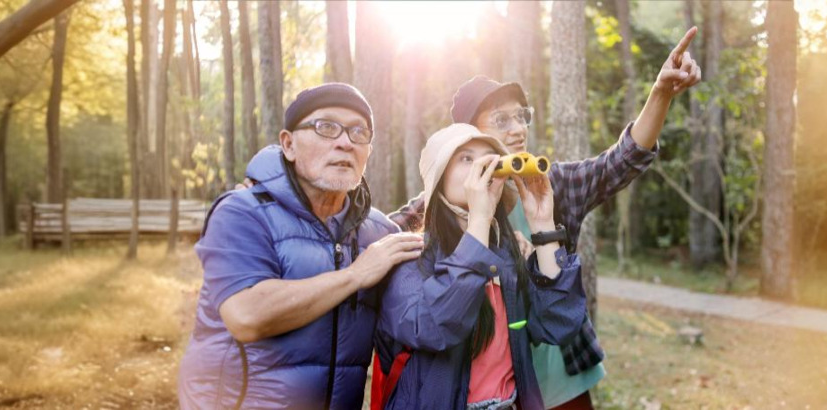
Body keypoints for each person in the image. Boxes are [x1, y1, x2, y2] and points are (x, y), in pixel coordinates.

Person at [386, 28, 703, 409]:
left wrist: (661, 93)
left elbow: (622, 160)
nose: (518, 129)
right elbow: (383, 245)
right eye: (501, 120)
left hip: (556, 379)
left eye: (521, 117)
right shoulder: (437, 206)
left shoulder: (550, 185)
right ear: (462, 141)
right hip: (482, 386)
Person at [178, 83, 424, 409]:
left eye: (358, 133)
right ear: (288, 144)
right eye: (326, 127)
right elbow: (245, 315)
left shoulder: (376, 232)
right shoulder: (242, 212)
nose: (344, 143)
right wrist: (355, 275)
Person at [376, 124, 587, 409]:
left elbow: (557, 325)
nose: (484, 166)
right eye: (466, 158)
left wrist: (543, 225)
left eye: (491, 157)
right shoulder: (410, 258)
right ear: (440, 181)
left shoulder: (506, 256)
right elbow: (439, 326)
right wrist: (479, 222)